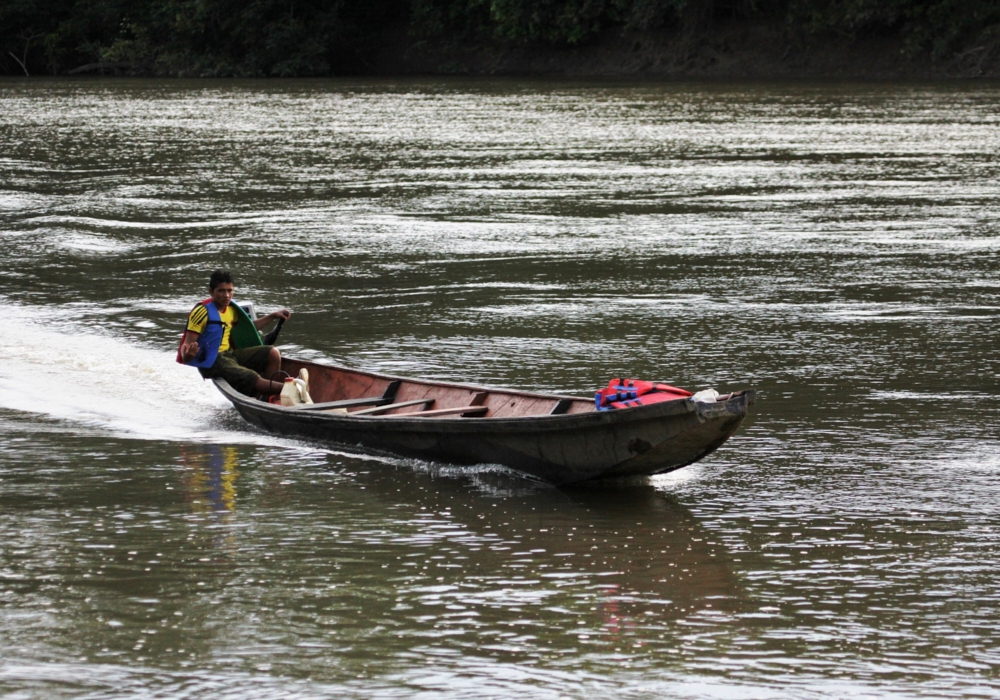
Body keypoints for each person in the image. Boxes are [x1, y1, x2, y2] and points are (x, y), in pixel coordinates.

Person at [178, 269, 291, 397]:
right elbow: (186, 348)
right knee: (251, 376)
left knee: (273, 353)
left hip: (230, 354)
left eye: (229, 290)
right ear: (211, 291)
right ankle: (291, 388)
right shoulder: (202, 312)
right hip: (214, 360)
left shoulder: (231, 309)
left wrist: (273, 316)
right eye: (221, 290)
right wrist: (189, 355)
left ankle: (270, 396)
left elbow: (249, 329)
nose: (226, 295)